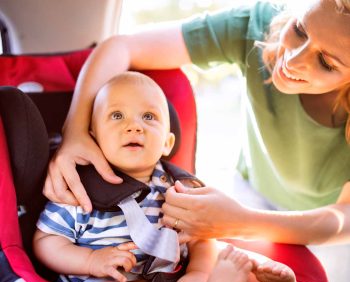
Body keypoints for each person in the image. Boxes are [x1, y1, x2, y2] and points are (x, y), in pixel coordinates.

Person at [43, 0, 350, 246]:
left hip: (315, 216)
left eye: (325, 62)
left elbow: (343, 217)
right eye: (300, 29)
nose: (293, 60)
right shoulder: (258, 24)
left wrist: (240, 222)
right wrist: (75, 132)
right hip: (250, 183)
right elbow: (121, 47)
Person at [33, 72, 297, 282]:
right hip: (106, 281)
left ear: (167, 143)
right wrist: (91, 260)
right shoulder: (78, 188)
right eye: (117, 116)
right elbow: (46, 242)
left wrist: (197, 273)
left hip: (174, 271)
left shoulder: (180, 187)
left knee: (221, 253)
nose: (134, 126)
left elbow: (201, 238)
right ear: (92, 137)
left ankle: (268, 281)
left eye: (148, 117)